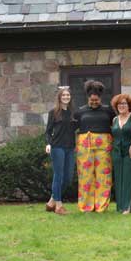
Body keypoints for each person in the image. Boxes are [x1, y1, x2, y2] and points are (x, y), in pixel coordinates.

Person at [74, 80, 115, 213]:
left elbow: (115, 126)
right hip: (84, 147)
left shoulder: (108, 110)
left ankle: (101, 206)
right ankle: (86, 206)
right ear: (88, 98)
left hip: (104, 147)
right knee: (85, 176)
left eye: (96, 100)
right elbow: (74, 127)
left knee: (104, 176)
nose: (94, 102)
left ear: (100, 98)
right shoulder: (80, 112)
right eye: (92, 100)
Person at [44, 87, 77, 215]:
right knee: (58, 175)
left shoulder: (73, 113)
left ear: (70, 97)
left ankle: (51, 201)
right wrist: (48, 144)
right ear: (59, 97)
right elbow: (48, 131)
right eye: (63, 95)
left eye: (68, 95)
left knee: (68, 178)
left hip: (70, 147)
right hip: (57, 147)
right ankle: (58, 205)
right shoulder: (53, 112)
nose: (66, 97)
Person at [110, 94, 131, 215]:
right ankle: (125, 206)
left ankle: (126, 207)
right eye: (119, 104)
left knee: (128, 178)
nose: (121, 106)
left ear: (129, 105)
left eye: (124, 104)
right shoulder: (115, 119)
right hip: (117, 152)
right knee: (119, 178)